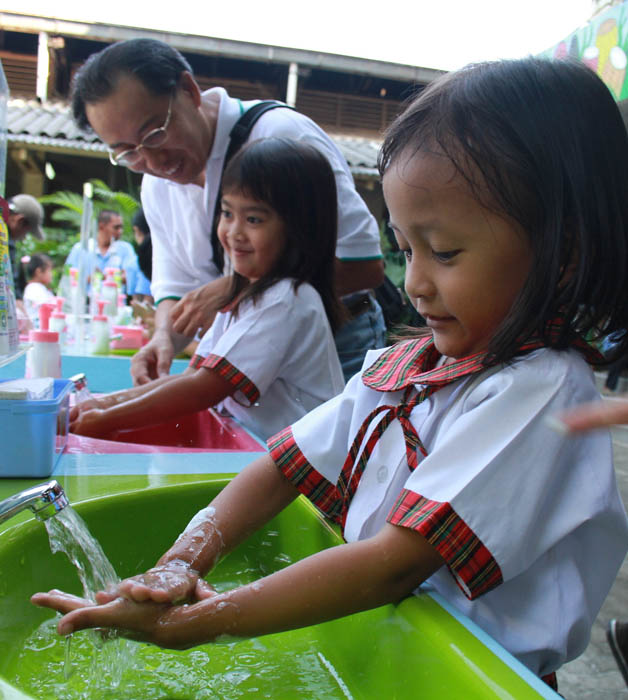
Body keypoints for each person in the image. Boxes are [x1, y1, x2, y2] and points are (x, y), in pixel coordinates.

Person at [32, 57, 628, 692]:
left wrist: (202, 621)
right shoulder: (410, 365)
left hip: (474, 676)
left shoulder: (541, 393)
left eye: (445, 252)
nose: (417, 283)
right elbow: (282, 466)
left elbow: (390, 566)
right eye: (406, 249)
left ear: (563, 255)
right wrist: (178, 565)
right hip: (392, 651)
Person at [69, 38, 386, 386]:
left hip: (336, 342)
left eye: (155, 133)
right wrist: (164, 338)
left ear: (189, 91)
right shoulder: (155, 185)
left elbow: (365, 265)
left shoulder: (281, 136)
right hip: (244, 346)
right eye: (128, 152)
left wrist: (234, 289)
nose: (153, 161)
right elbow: (176, 288)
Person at [68, 138, 344, 442]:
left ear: (298, 228)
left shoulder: (288, 300)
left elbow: (204, 388)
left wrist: (106, 419)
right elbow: (192, 375)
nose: (234, 232)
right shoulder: (243, 297)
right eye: (227, 214)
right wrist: (105, 402)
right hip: (265, 454)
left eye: (253, 219)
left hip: (307, 474)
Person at [64, 209, 139, 295]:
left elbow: (131, 276)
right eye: (116, 227)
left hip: (115, 304)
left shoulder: (125, 249)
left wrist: (101, 277)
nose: (120, 231)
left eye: (121, 227)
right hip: (84, 303)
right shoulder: (81, 248)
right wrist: (91, 278)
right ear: (101, 226)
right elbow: (68, 277)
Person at [6, 194, 45, 320]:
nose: (23, 238)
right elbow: (9, 279)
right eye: (26, 232)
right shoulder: (4, 237)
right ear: (19, 221)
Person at [21, 253, 55, 319]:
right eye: (49, 270)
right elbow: (47, 306)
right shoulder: (34, 288)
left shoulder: (39, 287)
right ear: (38, 272)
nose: (51, 274)